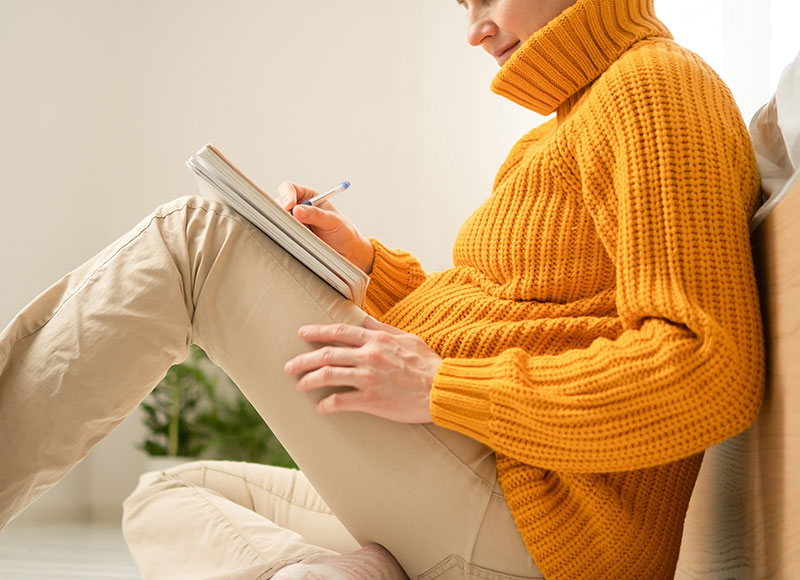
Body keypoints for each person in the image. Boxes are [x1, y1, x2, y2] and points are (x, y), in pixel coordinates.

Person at [0, 0, 765, 578]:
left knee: (196, 240)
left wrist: (440, 388)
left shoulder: (657, 88)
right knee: (169, 495)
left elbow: (706, 368)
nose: (475, 31)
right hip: (504, 490)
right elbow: (519, 310)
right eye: (462, 7)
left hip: (547, 525)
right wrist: (368, 266)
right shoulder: (569, 121)